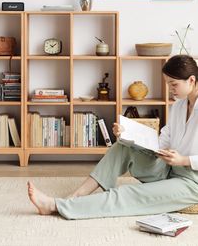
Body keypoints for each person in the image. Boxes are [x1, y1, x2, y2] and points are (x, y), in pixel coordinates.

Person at [27, 54, 198, 220]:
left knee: (128, 194)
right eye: (168, 84)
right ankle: (76, 195)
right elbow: (163, 141)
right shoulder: (179, 106)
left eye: (174, 84)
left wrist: (183, 160)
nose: (170, 89)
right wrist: (130, 136)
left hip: (191, 182)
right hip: (168, 168)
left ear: (191, 80)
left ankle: (55, 206)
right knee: (122, 147)